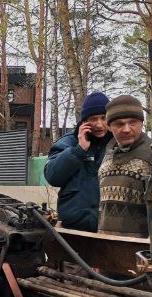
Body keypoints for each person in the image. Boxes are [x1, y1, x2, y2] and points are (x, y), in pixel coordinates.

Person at [43, 91, 110, 231]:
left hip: (109, 226)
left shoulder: (116, 144)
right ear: (84, 121)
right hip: (74, 227)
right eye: (93, 118)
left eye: (104, 118)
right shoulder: (68, 143)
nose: (99, 124)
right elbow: (52, 177)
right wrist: (79, 150)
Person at [97, 95, 152, 237]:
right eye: (119, 124)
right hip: (109, 247)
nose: (126, 129)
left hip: (142, 251)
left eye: (132, 122)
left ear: (142, 123)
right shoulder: (107, 156)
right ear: (109, 127)